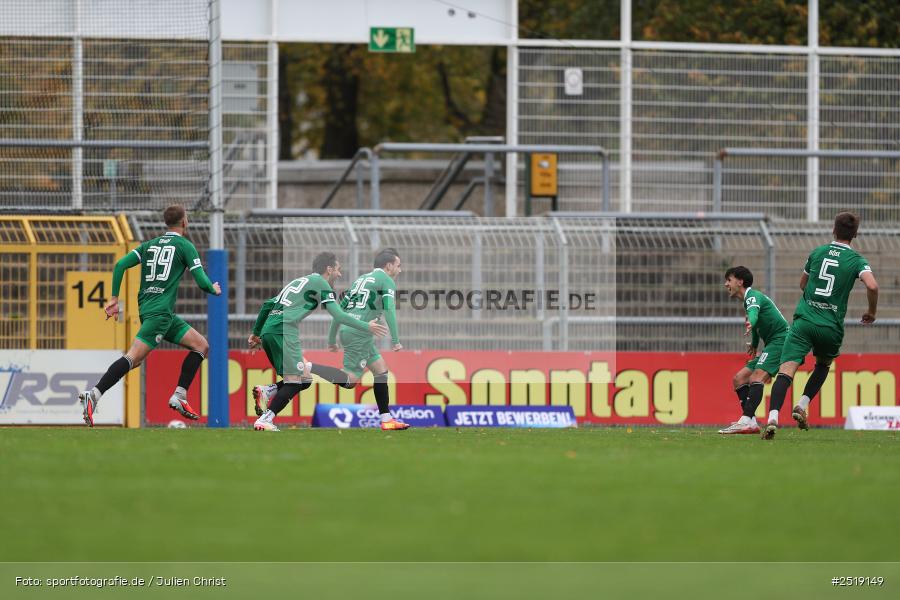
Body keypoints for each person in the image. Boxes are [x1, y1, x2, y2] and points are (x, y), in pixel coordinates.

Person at [78, 205, 221, 426]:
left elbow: (120, 265)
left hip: (154, 311)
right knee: (133, 357)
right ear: (184, 222)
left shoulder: (149, 245)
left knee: (201, 345)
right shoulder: (185, 246)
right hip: (160, 314)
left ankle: (180, 396)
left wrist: (114, 298)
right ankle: (94, 394)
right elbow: (202, 282)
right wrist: (214, 288)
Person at [761, 212, 879, 440]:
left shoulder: (817, 252)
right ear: (855, 234)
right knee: (823, 365)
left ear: (833, 230)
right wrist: (871, 312)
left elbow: (802, 283)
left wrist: (812, 301)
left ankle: (773, 418)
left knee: (786, 371)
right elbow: (872, 286)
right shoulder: (857, 260)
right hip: (830, 326)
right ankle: (802, 404)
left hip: (804, 321)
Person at [248, 252, 388, 432]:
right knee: (294, 382)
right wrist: (365, 326)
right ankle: (265, 419)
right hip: (284, 331)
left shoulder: (299, 281)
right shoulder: (321, 283)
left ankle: (268, 391)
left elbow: (268, 304)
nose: (339, 274)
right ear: (329, 269)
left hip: (270, 330)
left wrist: (256, 333)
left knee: (305, 379)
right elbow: (338, 315)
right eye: (338, 270)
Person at [305, 248, 408, 431]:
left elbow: (340, 311)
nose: (400, 270)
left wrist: (331, 339)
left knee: (381, 370)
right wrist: (396, 340)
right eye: (398, 266)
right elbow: (389, 310)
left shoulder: (361, 280)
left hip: (353, 331)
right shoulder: (386, 281)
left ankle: (386, 419)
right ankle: (308, 367)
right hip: (359, 333)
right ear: (389, 266)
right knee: (350, 380)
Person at [719, 266, 789, 435]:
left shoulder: (752, 297)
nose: (726, 284)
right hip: (772, 343)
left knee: (756, 376)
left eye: (729, 280)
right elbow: (756, 323)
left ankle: (745, 420)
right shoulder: (750, 300)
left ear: (740, 281)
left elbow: (754, 315)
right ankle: (750, 422)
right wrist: (755, 344)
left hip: (781, 341)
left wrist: (751, 321)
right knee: (739, 379)